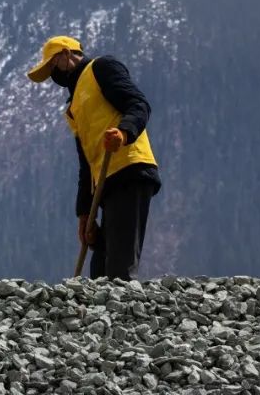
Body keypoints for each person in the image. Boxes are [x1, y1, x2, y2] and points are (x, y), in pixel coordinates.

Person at [28, 35, 161, 280]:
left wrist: (124, 132)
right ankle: (101, 315)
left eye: (52, 66)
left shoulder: (101, 68)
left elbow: (138, 104)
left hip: (129, 168)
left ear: (66, 55)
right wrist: (85, 214)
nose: (53, 76)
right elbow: (85, 163)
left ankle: (124, 312)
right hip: (105, 182)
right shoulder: (73, 105)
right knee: (100, 270)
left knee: (119, 268)